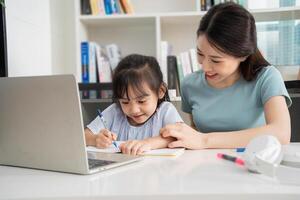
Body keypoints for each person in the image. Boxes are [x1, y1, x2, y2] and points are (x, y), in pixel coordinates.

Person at [160, 2, 292, 149]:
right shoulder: (189, 84)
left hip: (252, 163)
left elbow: (282, 133)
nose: (205, 67)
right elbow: (194, 136)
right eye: (200, 54)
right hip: (204, 166)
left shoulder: (267, 78)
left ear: (243, 55)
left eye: (216, 60)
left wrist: (206, 141)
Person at [85, 54, 183, 155]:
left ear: (160, 91)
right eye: (125, 102)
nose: (134, 110)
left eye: (141, 101)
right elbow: (84, 135)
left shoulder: (165, 111)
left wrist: (147, 143)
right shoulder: (114, 111)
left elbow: (180, 136)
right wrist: (95, 139)